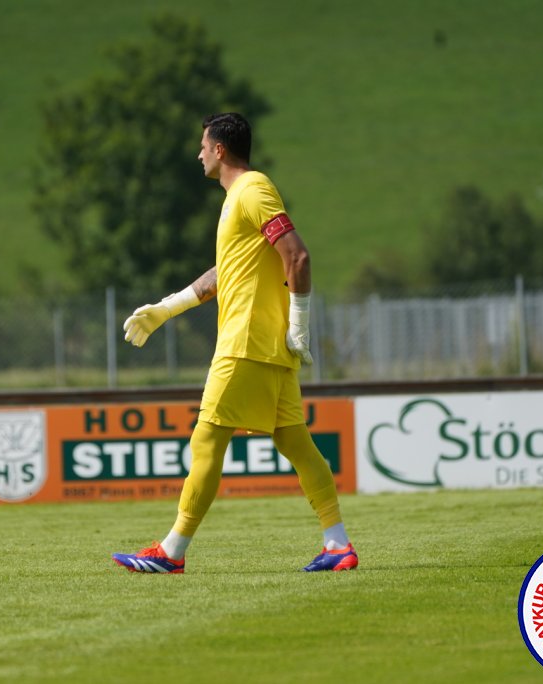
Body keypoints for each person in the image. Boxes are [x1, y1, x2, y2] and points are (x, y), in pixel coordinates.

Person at [111, 112, 357, 574]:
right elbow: (226, 274)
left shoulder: (253, 189)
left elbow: (298, 256)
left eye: (203, 145)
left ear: (220, 149)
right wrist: (166, 309)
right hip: (267, 345)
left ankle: (172, 551)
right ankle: (338, 544)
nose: (198, 153)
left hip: (246, 342)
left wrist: (299, 323)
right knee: (296, 443)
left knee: (206, 440)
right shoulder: (237, 200)